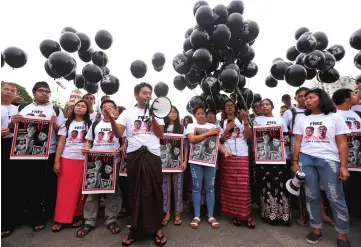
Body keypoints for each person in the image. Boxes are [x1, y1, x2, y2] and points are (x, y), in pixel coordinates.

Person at [292, 88, 351, 247]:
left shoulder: (335, 117)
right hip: (306, 160)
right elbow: (298, 141)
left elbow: (342, 142)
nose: (307, 100)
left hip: (329, 160)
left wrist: (344, 166)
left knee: (335, 197)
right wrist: (295, 161)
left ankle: (342, 234)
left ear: (321, 99)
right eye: (305, 98)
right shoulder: (301, 119)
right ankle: (316, 229)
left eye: (311, 97)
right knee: (311, 195)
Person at [112, 82, 167, 246]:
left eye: (150, 93)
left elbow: (161, 134)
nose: (148, 95)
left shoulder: (158, 112)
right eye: (144, 93)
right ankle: (134, 229)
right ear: (136, 95)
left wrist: (152, 117)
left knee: (155, 190)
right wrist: (112, 120)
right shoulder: (127, 114)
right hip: (135, 155)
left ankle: (157, 227)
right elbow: (118, 133)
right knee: (134, 191)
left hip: (153, 155)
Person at [9, 81, 65, 232]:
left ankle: (37, 217)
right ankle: (17, 218)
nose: (44, 93)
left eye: (47, 91)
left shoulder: (56, 110)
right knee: (20, 186)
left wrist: (54, 124)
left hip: (47, 153)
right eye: (41, 91)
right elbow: (11, 129)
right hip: (23, 153)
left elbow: (62, 133)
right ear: (34, 92)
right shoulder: (22, 107)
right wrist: (12, 123)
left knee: (41, 187)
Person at [76, 100, 122, 238]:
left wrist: (119, 151)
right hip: (95, 161)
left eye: (110, 107)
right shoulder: (95, 124)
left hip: (113, 162)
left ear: (115, 110)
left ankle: (111, 219)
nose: (107, 109)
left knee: (113, 192)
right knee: (92, 191)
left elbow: (125, 143)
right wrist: (86, 148)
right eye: (104, 107)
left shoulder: (120, 124)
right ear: (101, 111)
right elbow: (89, 140)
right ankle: (89, 220)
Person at [186, 105, 230, 230]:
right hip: (195, 161)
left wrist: (224, 151)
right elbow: (192, 139)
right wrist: (208, 133)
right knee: (197, 188)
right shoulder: (190, 126)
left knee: (210, 188)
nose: (200, 115)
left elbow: (217, 143)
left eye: (202, 113)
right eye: (197, 113)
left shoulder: (213, 126)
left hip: (211, 161)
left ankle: (211, 216)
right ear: (194, 116)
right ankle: (197, 216)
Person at [52, 100, 91, 232]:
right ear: (74, 108)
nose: (80, 108)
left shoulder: (90, 124)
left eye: (83, 106)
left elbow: (91, 142)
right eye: (78, 105)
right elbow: (61, 144)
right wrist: (57, 161)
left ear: (87, 110)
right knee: (64, 192)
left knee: (81, 192)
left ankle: (78, 216)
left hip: (84, 160)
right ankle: (61, 219)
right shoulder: (66, 124)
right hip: (67, 159)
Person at [253, 98, 291, 226]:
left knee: (281, 185)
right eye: (262, 105)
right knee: (266, 185)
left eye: (267, 104)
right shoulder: (258, 120)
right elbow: (255, 138)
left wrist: (284, 140)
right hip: (263, 158)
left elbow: (286, 136)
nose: (264, 107)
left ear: (272, 106)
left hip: (279, 157)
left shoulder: (281, 120)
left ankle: (283, 215)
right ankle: (269, 214)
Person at [219, 99, 255, 228]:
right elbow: (219, 142)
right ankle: (235, 215)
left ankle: (246, 215)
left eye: (231, 105)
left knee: (243, 187)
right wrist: (226, 130)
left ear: (235, 108)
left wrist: (245, 120)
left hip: (242, 155)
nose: (229, 107)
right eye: (227, 105)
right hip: (227, 156)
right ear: (224, 109)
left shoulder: (241, 120)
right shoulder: (221, 123)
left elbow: (249, 135)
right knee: (230, 187)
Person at [161, 106, 188, 227]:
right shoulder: (162, 127)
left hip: (178, 161)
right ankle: (167, 213)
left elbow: (185, 146)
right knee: (165, 188)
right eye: (170, 111)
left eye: (175, 112)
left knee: (178, 187)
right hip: (165, 162)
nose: (173, 113)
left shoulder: (182, 128)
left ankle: (177, 213)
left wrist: (185, 161)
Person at [1, 82, 21, 238]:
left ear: (16, 94)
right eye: (6, 89)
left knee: (11, 185)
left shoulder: (20, 110)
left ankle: (9, 222)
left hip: (15, 148)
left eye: (12, 90)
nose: (8, 92)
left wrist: (12, 127)